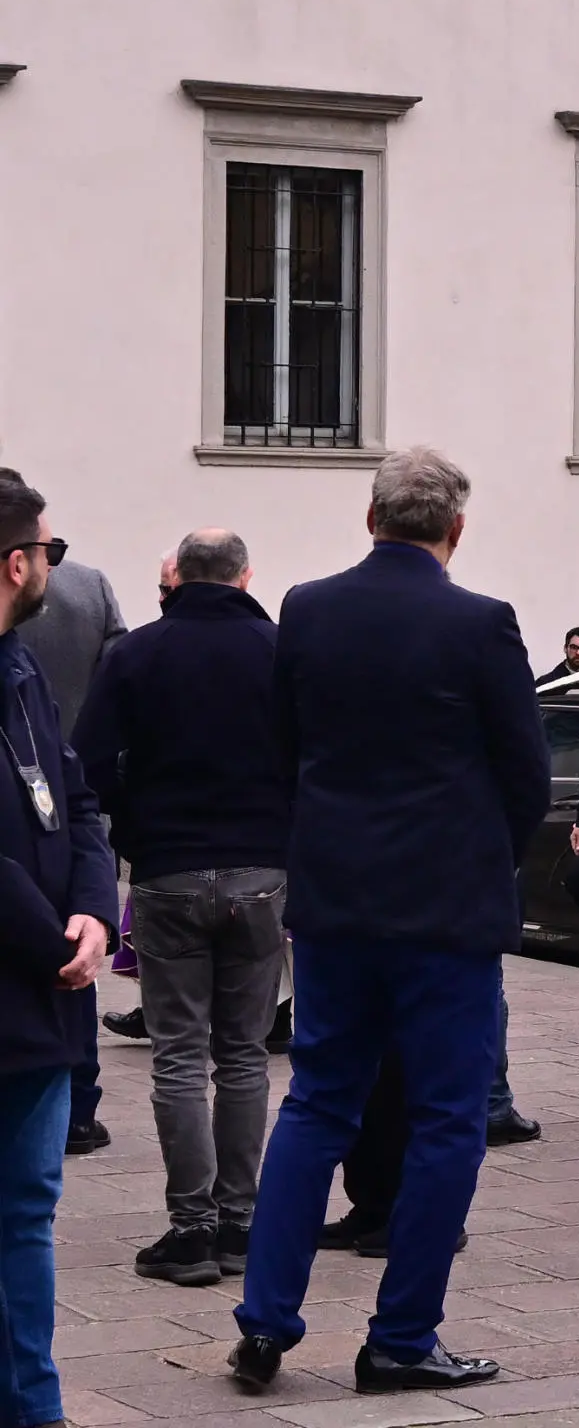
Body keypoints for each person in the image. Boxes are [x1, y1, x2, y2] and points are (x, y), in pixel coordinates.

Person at [231, 449, 548, 1397]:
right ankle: (402, 1335)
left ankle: (265, 1323)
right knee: (448, 1119)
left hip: (335, 899)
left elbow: (284, 748)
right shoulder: (481, 623)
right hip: (445, 908)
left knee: (319, 1101)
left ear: (371, 519)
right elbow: (527, 774)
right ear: (456, 531)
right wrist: (478, 848)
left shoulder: (308, 608)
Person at [70, 527, 285, 1287]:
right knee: (243, 1052)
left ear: (178, 580)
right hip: (261, 869)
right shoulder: (278, 651)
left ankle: (190, 1230)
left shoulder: (137, 655)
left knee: (179, 1055)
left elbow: (88, 764)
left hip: (167, 870)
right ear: (244, 576)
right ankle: (242, 1223)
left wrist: (136, 826)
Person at [0, 476, 115, 1426]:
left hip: (44, 995)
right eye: (50, 551)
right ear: (17, 563)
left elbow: (73, 800)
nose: (52, 565)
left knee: (27, 1215)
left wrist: (93, 911)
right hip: (23, 975)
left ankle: (35, 1409)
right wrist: (53, 939)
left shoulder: (23, 668)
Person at [11, 515, 121, 1164]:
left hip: (63, 816)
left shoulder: (25, 661)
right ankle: (83, 1105)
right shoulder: (92, 590)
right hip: (60, 849)